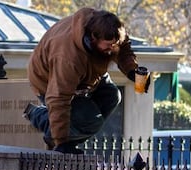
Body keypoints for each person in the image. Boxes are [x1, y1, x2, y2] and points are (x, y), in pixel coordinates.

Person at [23, 8, 150, 154]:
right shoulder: (68, 57)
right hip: (48, 80)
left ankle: (70, 137)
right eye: (108, 45)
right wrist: (61, 142)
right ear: (93, 38)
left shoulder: (111, 30)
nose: (112, 49)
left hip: (89, 74)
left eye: (115, 44)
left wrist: (132, 71)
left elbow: (124, 50)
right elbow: (58, 98)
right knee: (91, 122)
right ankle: (40, 116)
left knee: (113, 96)